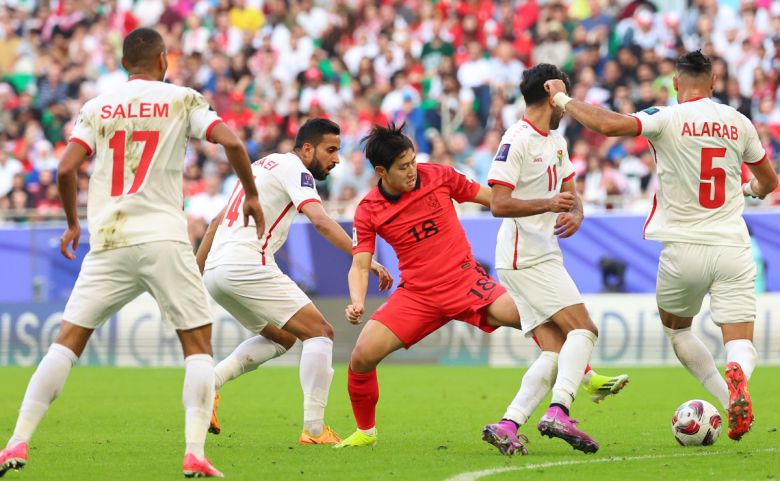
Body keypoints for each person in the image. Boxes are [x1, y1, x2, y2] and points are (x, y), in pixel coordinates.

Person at [0, 28, 265, 479]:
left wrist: (72, 223)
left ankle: (16, 441)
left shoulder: (98, 106)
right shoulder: (182, 99)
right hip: (163, 238)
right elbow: (234, 143)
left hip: (108, 240)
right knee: (197, 346)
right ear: (163, 59)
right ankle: (194, 453)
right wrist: (252, 195)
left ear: (125, 63)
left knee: (66, 343)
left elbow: (65, 168)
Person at [544, 50, 778, 441]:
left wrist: (563, 99)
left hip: (683, 247)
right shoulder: (740, 122)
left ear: (675, 82)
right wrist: (750, 189)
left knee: (678, 331)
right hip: (733, 245)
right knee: (739, 340)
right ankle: (738, 374)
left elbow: (608, 125)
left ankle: (727, 400)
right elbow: (769, 182)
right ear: (714, 82)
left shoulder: (665, 117)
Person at [195, 118, 392, 444]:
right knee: (321, 333)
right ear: (307, 148)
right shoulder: (296, 170)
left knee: (284, 337)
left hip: (218, 272)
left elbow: (217, 221)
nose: (336, 159)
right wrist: (365, 259)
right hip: (247, 263)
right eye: (330, 150)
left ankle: (209, 384)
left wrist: (197, 271)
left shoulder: (261, 165)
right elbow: (320, 221)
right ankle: (314, 429)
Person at [334, 123, 526, 450]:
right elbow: (360, 264)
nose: (412, 171)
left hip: (466, 282)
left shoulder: (439, 175)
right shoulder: (368, 209)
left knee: (533, 317)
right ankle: (366, 432)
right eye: (403, 167)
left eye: (413, 161)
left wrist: (537, 207)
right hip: (418, 296)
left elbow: (494, 199)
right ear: (381, 172)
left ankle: (583, 378)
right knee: (362, 355)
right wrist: (357, 301)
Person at [482, 64, 609, 455]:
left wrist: (576, 213)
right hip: (525, 258)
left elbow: (571, 194)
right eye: (564, 97)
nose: (567, 106)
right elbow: (498, 204)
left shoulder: (556, 139)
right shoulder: (516, 140)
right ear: (553, 96)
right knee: (584, 330)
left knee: (554, 351)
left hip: (540, 254)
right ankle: (559, 410)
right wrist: (549, 203)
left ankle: (507, 424)